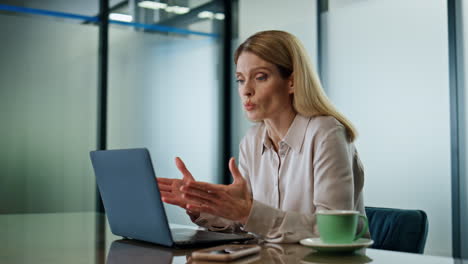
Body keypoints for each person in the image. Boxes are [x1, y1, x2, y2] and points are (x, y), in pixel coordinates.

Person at [157, 30, 366, 243]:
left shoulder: (325, 133)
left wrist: (248, 213)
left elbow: (333, 231)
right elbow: (242, 223)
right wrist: (202, 205)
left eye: (260, 77)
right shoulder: (252, 140)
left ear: (292, 82)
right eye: (240, 80)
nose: (246, 90)